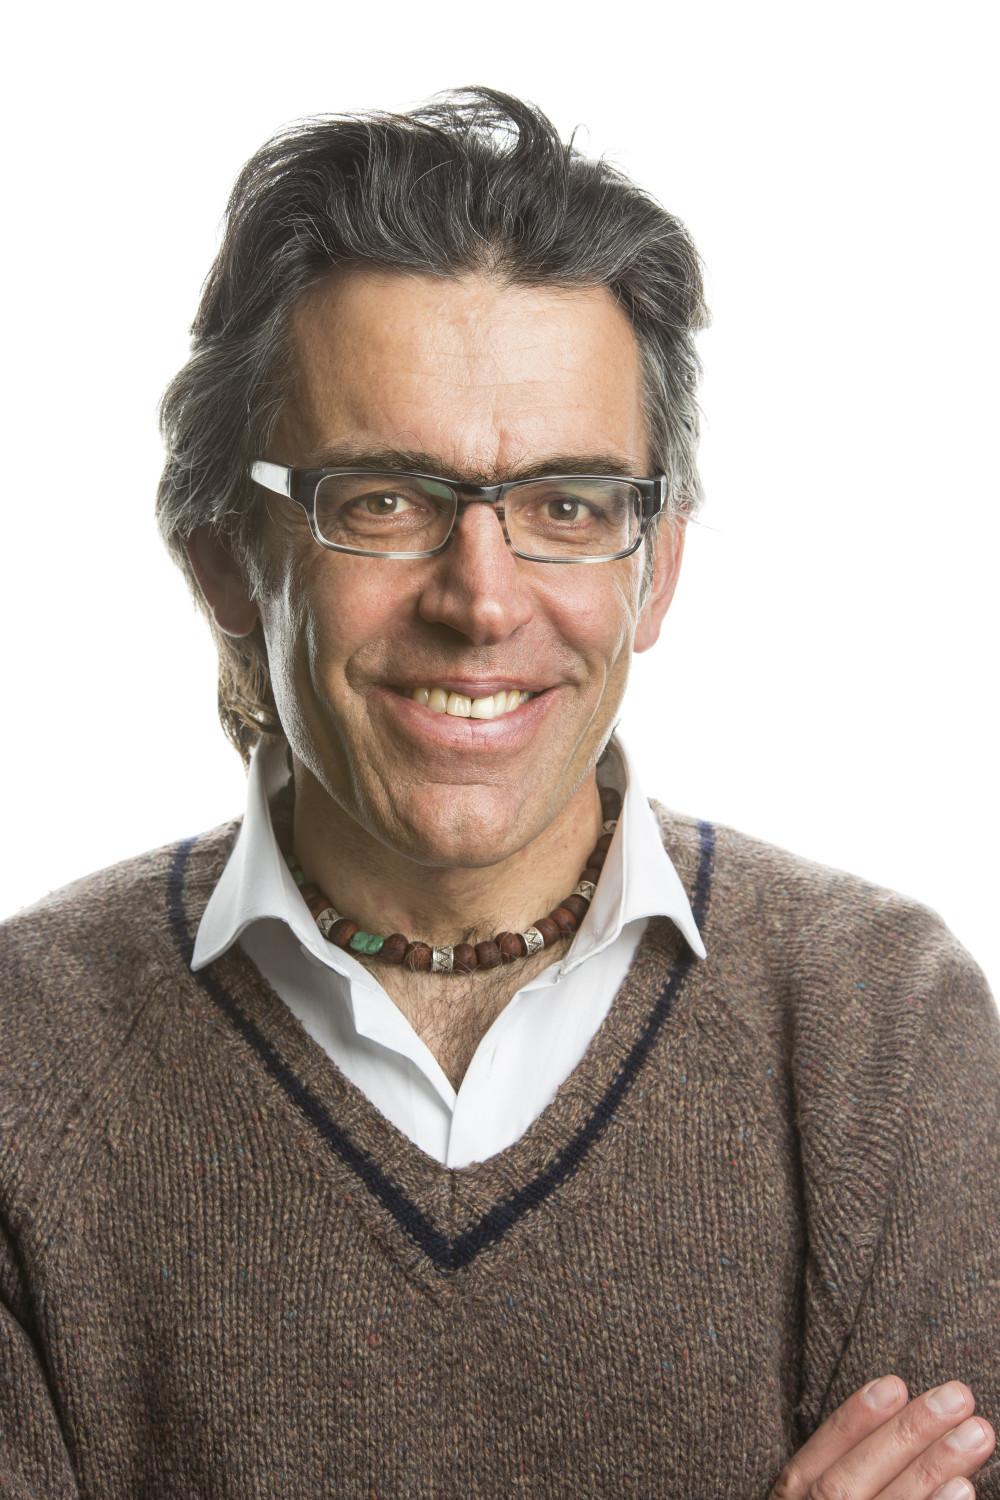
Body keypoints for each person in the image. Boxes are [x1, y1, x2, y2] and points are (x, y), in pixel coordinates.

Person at [1, 89, 997, 1500]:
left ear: (656, 569)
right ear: (225, 559)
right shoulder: (24, 1061)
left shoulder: (879, 1032)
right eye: (385, 501)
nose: (482, 600)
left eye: (567, 506)